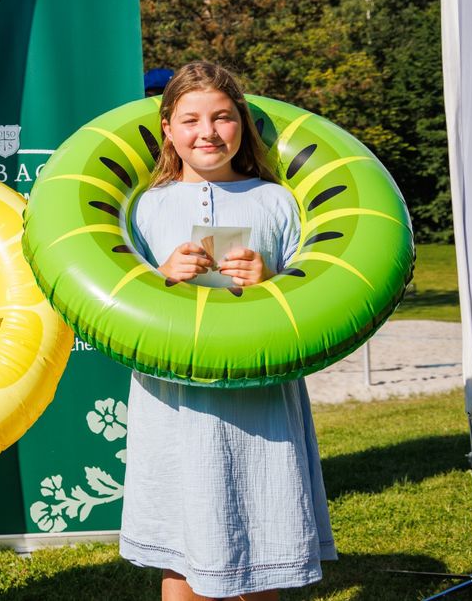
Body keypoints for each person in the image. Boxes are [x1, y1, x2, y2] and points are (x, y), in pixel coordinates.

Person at [120, 61, 335, 600]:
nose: (208, 133)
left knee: (263, 550)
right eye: (191, 120)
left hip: (258, 402)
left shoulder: (278, 202)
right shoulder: (144, 209)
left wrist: (270, 281)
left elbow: (310, 298)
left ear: (242, 122)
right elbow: (121, 300)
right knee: (181, 553)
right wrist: (161, 275)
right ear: (167, 127)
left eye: (222, 117)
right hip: (177, 401)